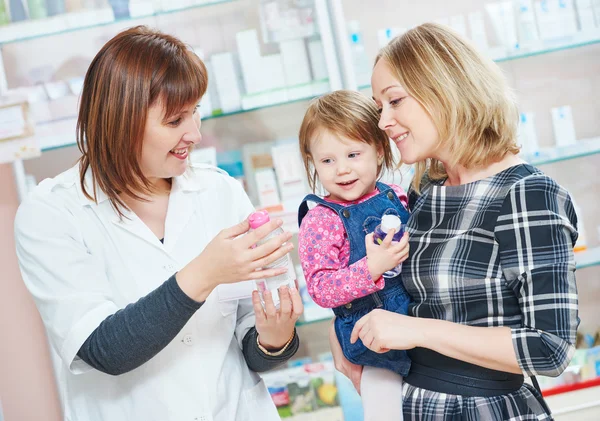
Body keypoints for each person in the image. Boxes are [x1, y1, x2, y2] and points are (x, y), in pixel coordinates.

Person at [14, 26, 302, 421]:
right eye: (175, 121)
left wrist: (275, 336)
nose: (195, 134)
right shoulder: (52, 213)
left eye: (196, 112)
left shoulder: (219, 191)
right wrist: (205, 271)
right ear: (121, 121)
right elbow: (103, 348)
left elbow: (251, 344)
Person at [333, 23, 580, 420]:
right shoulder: (425, 191)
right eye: (380, 107)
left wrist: (416, 331)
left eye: (395, 101)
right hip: (415, 405)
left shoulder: (526, 194)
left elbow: (550, 347)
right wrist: (345, 329)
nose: (383, 122)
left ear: (444, 90)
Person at [297, 90, 412, 420]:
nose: (342, 170)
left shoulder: (397, 196)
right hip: (373, 346)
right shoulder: (321, 219)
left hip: (419, 327)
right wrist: (372, 266)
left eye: (352, 154)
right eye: (328, 160)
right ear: (313, 163)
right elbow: (321, 288)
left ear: (378, 151)